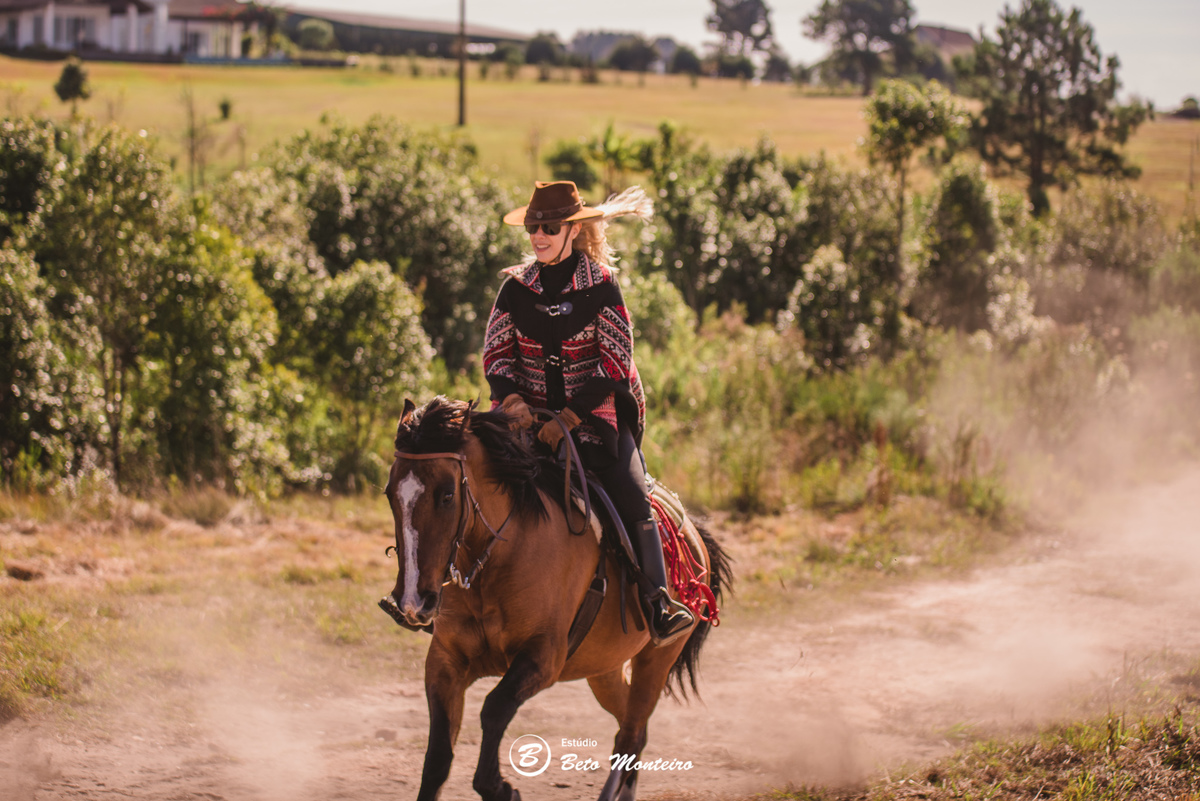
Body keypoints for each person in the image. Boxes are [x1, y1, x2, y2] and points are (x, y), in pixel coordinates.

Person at [482, 180, 695, 646]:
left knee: (632, 494)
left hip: (598, 423)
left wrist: (571, 418)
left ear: (573, 230)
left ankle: (658, 603)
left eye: (549, 228)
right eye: (533, 227)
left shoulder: (602, 286)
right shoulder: (514, 289)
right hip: (526, 425)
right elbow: (496, 357)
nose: (538, 236)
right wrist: (513, 402)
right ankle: (446, 593)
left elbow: (615, 361)